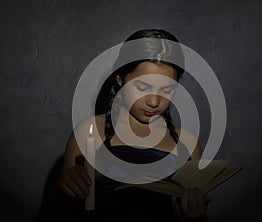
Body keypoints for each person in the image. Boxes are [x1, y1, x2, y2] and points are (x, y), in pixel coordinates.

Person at [56, 29, 209, 221]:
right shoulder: (90, 131)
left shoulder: (187, 142)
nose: (154, 101)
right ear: (120, 78)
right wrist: (67, 192)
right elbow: (62, 214)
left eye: (167, 89)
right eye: (143, 87)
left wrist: (196, 216)